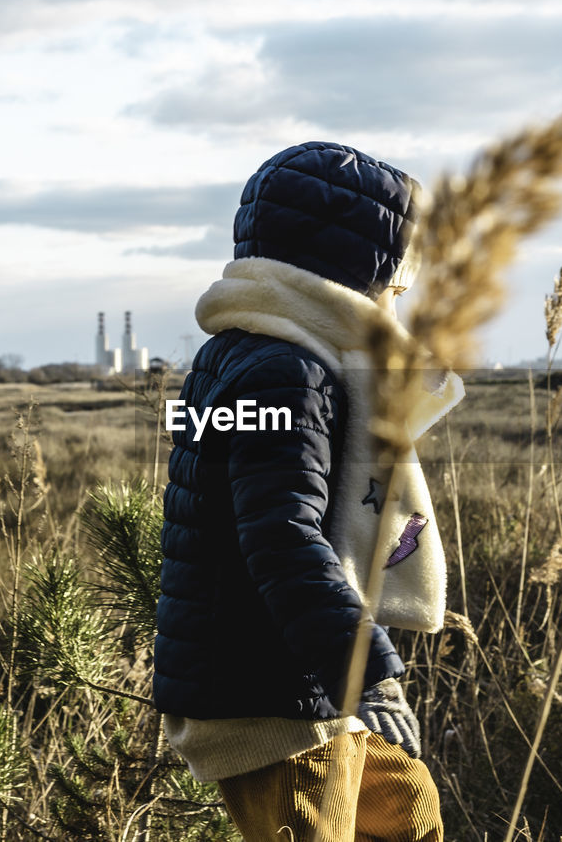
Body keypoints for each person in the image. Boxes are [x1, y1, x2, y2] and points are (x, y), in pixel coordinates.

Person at [155, 141, 462, 841]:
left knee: (405, 813)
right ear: (353, 274)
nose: (399, 302)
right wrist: (368, 672)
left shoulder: (247, 354)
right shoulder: (284, 371)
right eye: (397, 283)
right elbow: (281, 536)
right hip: (266, 697)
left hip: (297, 670)